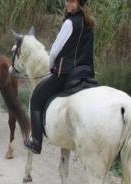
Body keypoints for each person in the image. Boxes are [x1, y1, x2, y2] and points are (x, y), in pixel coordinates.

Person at [25, 0, 95, 154]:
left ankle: (36, 142)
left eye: (71, 1)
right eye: (66, 0)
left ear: (79, 3)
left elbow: (55, 50)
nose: (67, 4)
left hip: (66, 74)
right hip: (87, 75)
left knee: (36, 99)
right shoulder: (89, 24)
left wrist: (51, 66)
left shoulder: (69, 23)